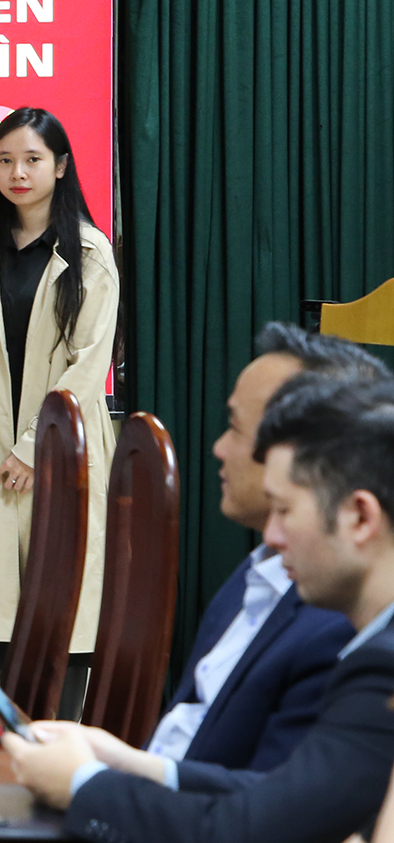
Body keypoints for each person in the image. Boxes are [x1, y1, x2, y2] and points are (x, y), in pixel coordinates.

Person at [4, 376, 394, 843]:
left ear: (360, 517)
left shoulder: (383, 668)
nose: (272, 537)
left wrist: (82, 784)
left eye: (284, 511)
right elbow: (285, 799)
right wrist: (134, 765)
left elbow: (246, 838)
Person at [143, 325, 380, 772]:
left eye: (235, 428)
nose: (218, 447)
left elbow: (266, 804)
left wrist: (93, 779)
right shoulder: (258, 570)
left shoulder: (340, 619)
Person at [0, 108, 119, 669]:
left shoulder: (90, 252)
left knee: (63, 627)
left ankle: (57, 729)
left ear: (60, 166)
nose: (17, 172)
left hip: (62, 449)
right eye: (5, 160)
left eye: (32, 159)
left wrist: (35, 445)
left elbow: (88, 365)